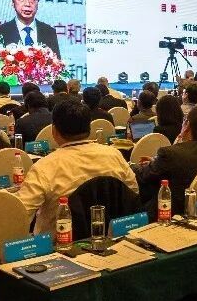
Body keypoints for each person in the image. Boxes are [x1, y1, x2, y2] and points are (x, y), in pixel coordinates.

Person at [15, 97, 137, 231]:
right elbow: (133, 192)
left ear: (54, 131)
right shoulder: (114, 154)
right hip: (112, 236)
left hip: (59, 241)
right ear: (89, 129)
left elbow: (20, 215)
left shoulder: (44, 167)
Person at [136, 106, 197, 216]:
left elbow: (145, 176)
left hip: (171, 213)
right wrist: (157, 162)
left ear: (187, 125)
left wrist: (133, 167)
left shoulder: (171, 153)